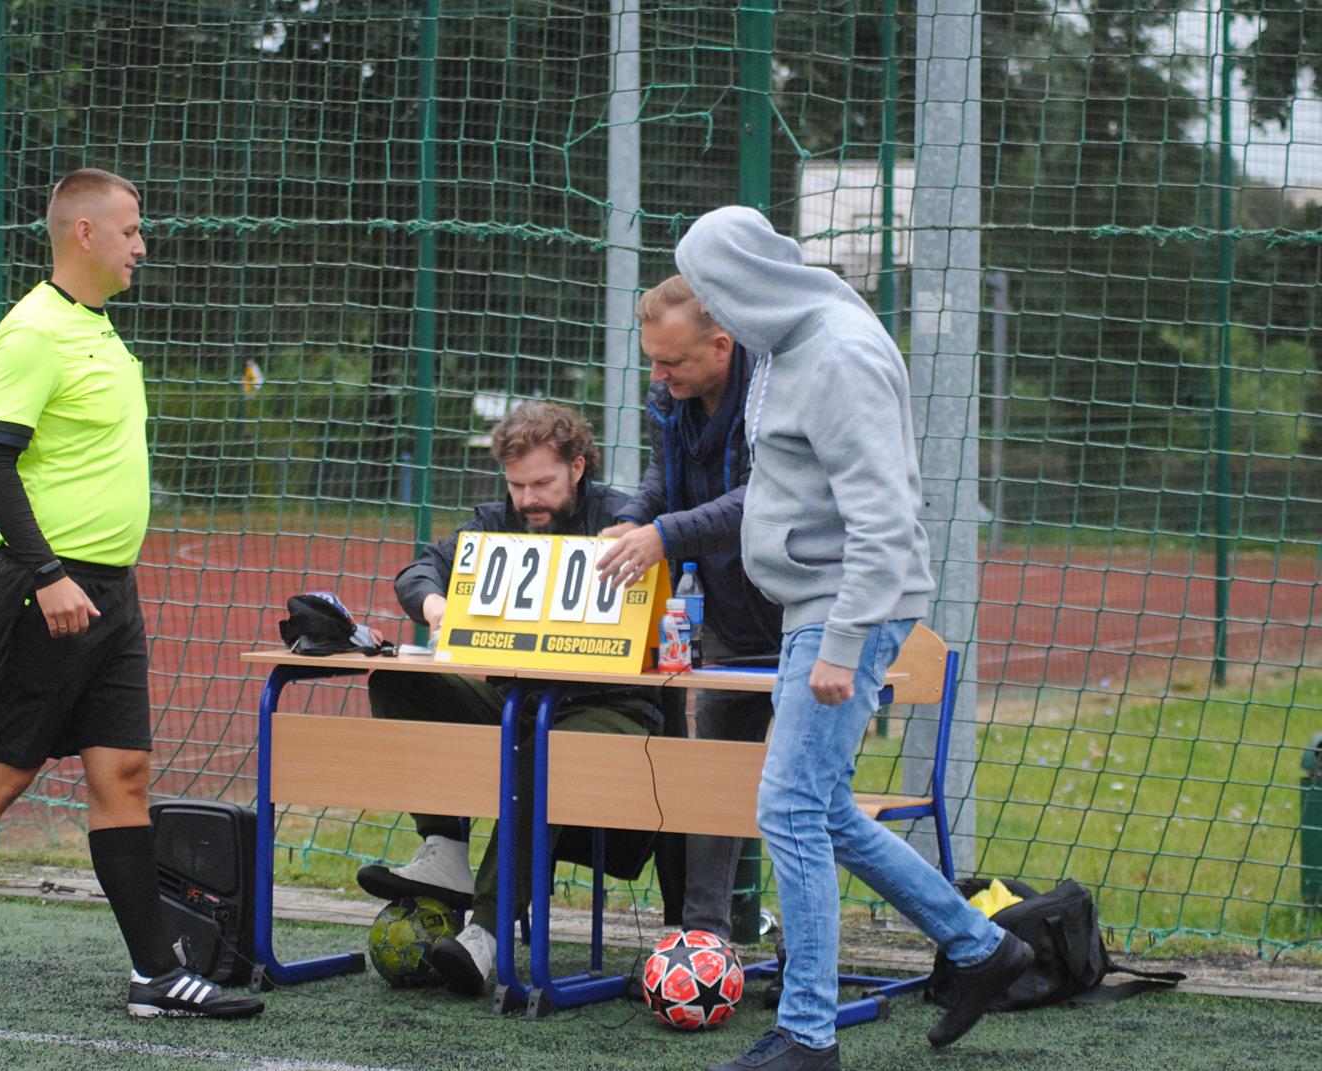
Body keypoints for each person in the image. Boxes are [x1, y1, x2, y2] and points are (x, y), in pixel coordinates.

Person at [0, 169, 262, 1021]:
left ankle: (156, 973)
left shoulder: (102, 331)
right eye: (130, 231)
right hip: (46, 589)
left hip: (111, 594)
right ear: (84, 233)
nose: (141, 246)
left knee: (123, 772)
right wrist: (48, 575)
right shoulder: (34, 331)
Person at [674, 206, 1031, 1071]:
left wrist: (842, 644)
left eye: (712, 287)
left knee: (788, 808)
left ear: (743, 280)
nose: (708, 306)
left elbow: (885, 517)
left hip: (843, 611)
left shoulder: (838, 349)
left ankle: (808, 1034)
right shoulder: (786, 345)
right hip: (814, 603)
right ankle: (983, 947)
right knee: (820, 808)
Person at [355, 401, 663, 996]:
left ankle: (488, 936)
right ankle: (444, 847)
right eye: (517, 484)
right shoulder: (494, 521)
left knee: (541, 747)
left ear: (578, 467)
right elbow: (420, 570)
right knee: (397, 678)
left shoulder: (624, 517)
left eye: (543, 482)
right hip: (517, 700)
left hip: (611, 710)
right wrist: (434, 605)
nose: (529, 500)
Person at [593, 274, 781, 943]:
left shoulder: (773, 392)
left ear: (723, 346)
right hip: (727, 626)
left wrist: (663, 533)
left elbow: (763, 499)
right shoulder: (668, 395)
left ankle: (809, 953)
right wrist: (633, 519)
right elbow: (659, 478)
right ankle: (704, 942)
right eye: (651, 358)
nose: (657, 373)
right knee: (713, 788)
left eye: (670, 360)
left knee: (800, 800)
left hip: (804, 621)